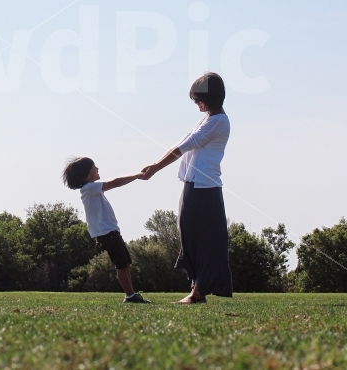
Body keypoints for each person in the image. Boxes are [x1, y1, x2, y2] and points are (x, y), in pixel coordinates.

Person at [141, 72, 234, 304]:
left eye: (198, 99)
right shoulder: (207, 119)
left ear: (210, 98)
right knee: (189, 236)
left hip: (205, 186)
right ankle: (196, 289)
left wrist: (155, 167)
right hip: (193, 184)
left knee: (204, 240)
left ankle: (198, 293)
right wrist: (155, 165)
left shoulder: (219, 121)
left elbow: (184, 146)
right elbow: (183, 141)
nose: (196, 104)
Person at [62, 157, 150, 304]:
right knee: (121, 265)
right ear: (86, 174)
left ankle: (132, 294)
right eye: (94, 167)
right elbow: (115, 182)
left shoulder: (91, 189)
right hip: (107, 233)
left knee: (126, 263)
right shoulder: (90, 188)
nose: (97, 169)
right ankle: (130, 296)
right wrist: (137, 175)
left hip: (111, 232)